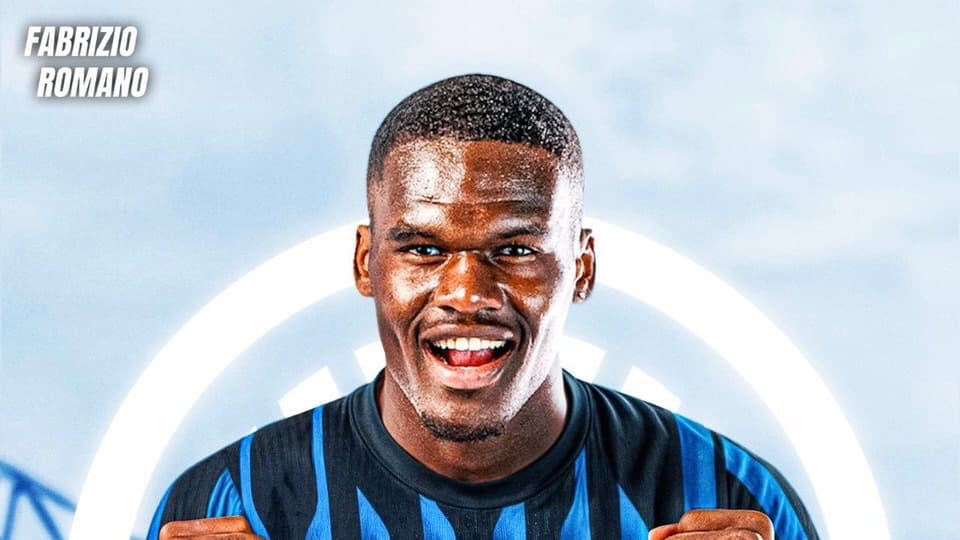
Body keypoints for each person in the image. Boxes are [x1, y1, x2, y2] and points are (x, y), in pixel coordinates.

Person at [147, 74, 819, 540]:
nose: (467, 294)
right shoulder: (230, 499)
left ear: (581, 267)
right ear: (365, 262)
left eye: (515, 249)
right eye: (423, 248)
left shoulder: (731, 495)